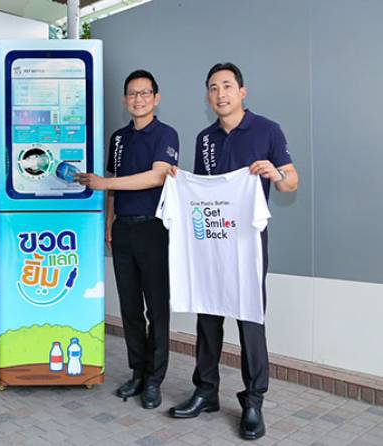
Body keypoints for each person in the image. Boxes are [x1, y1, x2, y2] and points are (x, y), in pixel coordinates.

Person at [167, 62, 298, 441]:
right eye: (213, 87)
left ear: (242, 91)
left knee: (250, 319)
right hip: (211, 240)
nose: (220, 93)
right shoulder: (205, 138)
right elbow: (204, 190)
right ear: (207, 96)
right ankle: (206, 391)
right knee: (208, 315)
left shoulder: (267, 130)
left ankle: (253, 401)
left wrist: (275, 174)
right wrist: (181, 182)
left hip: (248, 243)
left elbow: (292, 182)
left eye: (226, 85)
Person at [76, 70, 178, 409]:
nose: (138, 99)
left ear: (156, 98)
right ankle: (138, 372)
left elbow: (157, 176)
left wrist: (104, 184)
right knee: (130, 307)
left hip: (154, 229)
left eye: (145, 93)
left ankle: (155, 380)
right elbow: (115, 181)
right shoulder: (118, 138)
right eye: (132, 94)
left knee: (157, 308)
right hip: (123, 230)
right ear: (125, 100)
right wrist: (110, 222)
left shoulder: (166, 134)